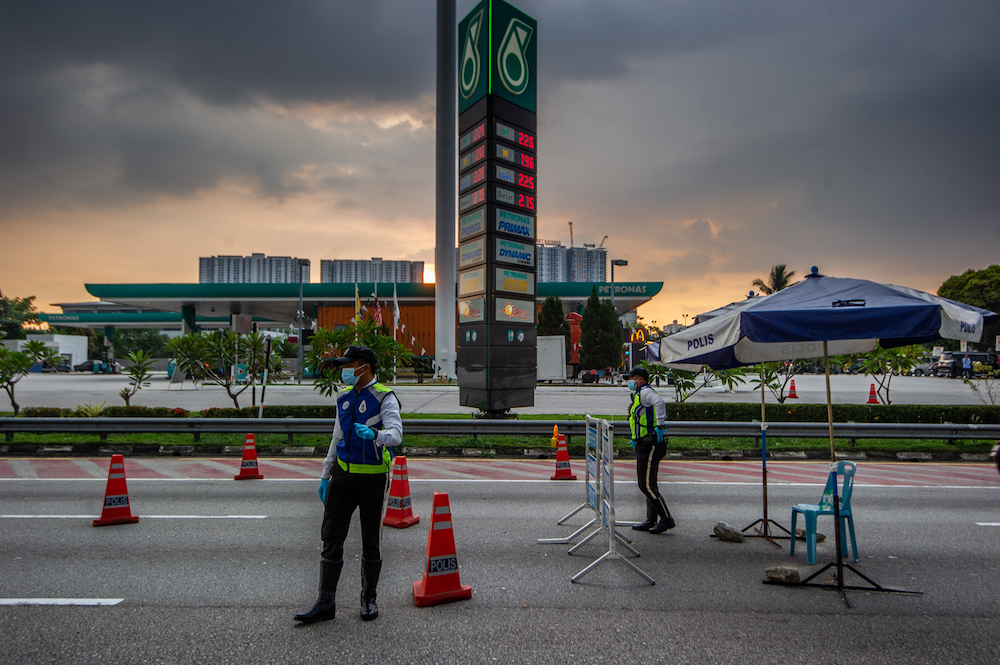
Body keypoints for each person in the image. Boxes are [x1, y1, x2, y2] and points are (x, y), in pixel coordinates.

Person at [294, 345, 402, 624]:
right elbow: (337, 437)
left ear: (363, 367)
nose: (345, 371)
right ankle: (325, 601)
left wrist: (375, 435)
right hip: (343, 476)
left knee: (370, 540)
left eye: (348, 365)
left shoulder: (384, 397)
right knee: (331, 536)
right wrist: (325, 474)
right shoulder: (343, 398)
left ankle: (368, 598)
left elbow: (396, 434)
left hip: (373, 478)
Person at [622, 366, 675, 534]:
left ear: (640, 379)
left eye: (633, 378)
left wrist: (660, 425)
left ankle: (666, 519)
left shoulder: (645, 392)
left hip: (651, 444)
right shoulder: (639, 394)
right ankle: (651, 520)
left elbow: (659, 402)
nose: (630, 381)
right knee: (649, 484)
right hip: (643, 443)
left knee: (646, 485)